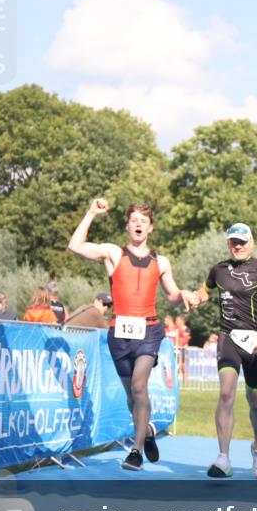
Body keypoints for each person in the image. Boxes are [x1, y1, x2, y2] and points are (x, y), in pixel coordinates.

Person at [69, 198, 196, 471]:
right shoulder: (114, 253)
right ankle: (146, 430)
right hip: (120, 333)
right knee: (132, 397)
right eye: (134, 220)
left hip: (149, 331)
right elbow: (75, 246)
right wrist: (91, 213)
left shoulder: (160, 261)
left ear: (150, 228)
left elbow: (172, 295)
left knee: (140, 386)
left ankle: (135, 451)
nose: (138, 224)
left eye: (144, 221)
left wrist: (183, 295)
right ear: (127, 226)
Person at [192, 223, 257, 479]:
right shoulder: (218, 270)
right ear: (228, 244)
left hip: (255, 342)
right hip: (228, 336)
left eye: (242, 242)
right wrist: (196, 298)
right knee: (226, 391)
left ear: (251, 243)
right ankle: (224, 457)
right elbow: (204, 291)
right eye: (233, 242)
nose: (238, 246)